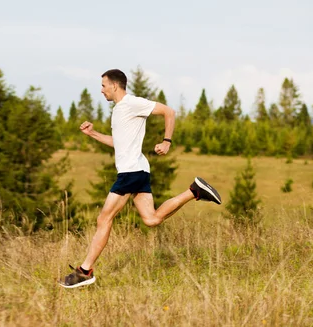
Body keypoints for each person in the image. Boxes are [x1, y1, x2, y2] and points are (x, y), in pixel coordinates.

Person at [59, 69, 222, 289]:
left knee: (103, 219)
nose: (102, 90)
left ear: (115, 85)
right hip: (137, 170)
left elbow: (169, 112)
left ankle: (85, 271)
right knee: (151, 219)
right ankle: (194, 191)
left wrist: (166, 141)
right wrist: (93, 134)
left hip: (131, 172)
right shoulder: (119, 111)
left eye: (104, 85)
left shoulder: (132, 103)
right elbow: (119, 143)